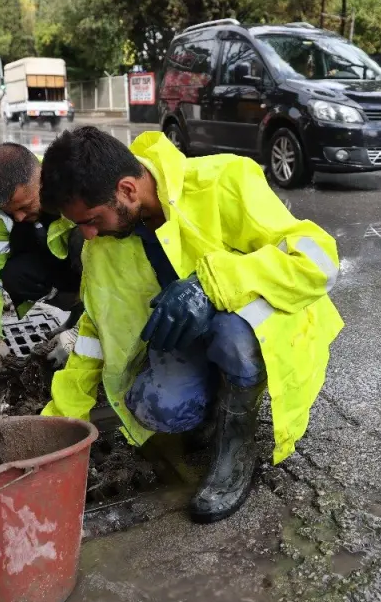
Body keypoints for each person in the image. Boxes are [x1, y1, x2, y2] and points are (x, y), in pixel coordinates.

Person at [38, 127, 343, 523]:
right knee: (157, 408)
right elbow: (96, 332)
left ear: (128, 190)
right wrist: (58, 422)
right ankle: (216, 403)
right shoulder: (107, 245)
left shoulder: (224, 180)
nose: (89, 234)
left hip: (260, 329)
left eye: (93, 220)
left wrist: (209, 285)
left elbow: (320, 264)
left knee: (231, 333)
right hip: (191, 338)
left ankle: (236, 448)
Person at [0, 143, 83, 379]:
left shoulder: (73, 183)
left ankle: (85, 319)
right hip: (57, 266)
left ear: (41, 179)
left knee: (83, 241)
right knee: (15, 275)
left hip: (88, 262)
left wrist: (82, 335)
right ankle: (76, 308)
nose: (19, 217)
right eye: (10, 212)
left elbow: (116, 271)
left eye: (25, 206)